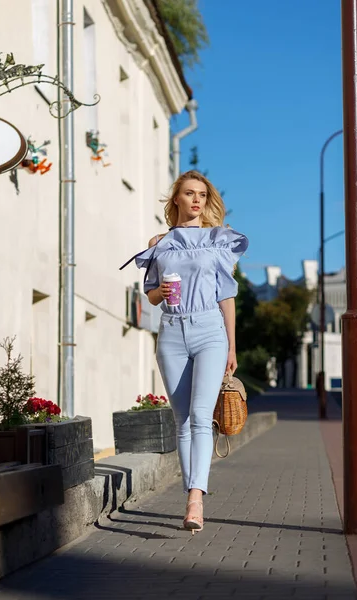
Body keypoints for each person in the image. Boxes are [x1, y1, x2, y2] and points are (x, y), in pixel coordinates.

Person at [120, 170, 249, 534]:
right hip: (172, 331)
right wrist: (161, 290)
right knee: (182, 420)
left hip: (210, 330)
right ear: (175, 198)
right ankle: (190, 495)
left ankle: (195, 499)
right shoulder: (159, 242)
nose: (196, 200)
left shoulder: (218, 241)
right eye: (189, 193)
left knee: (200, 414)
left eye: (203, 195)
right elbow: (151, 296)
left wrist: (231, 344)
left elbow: (227, 296)